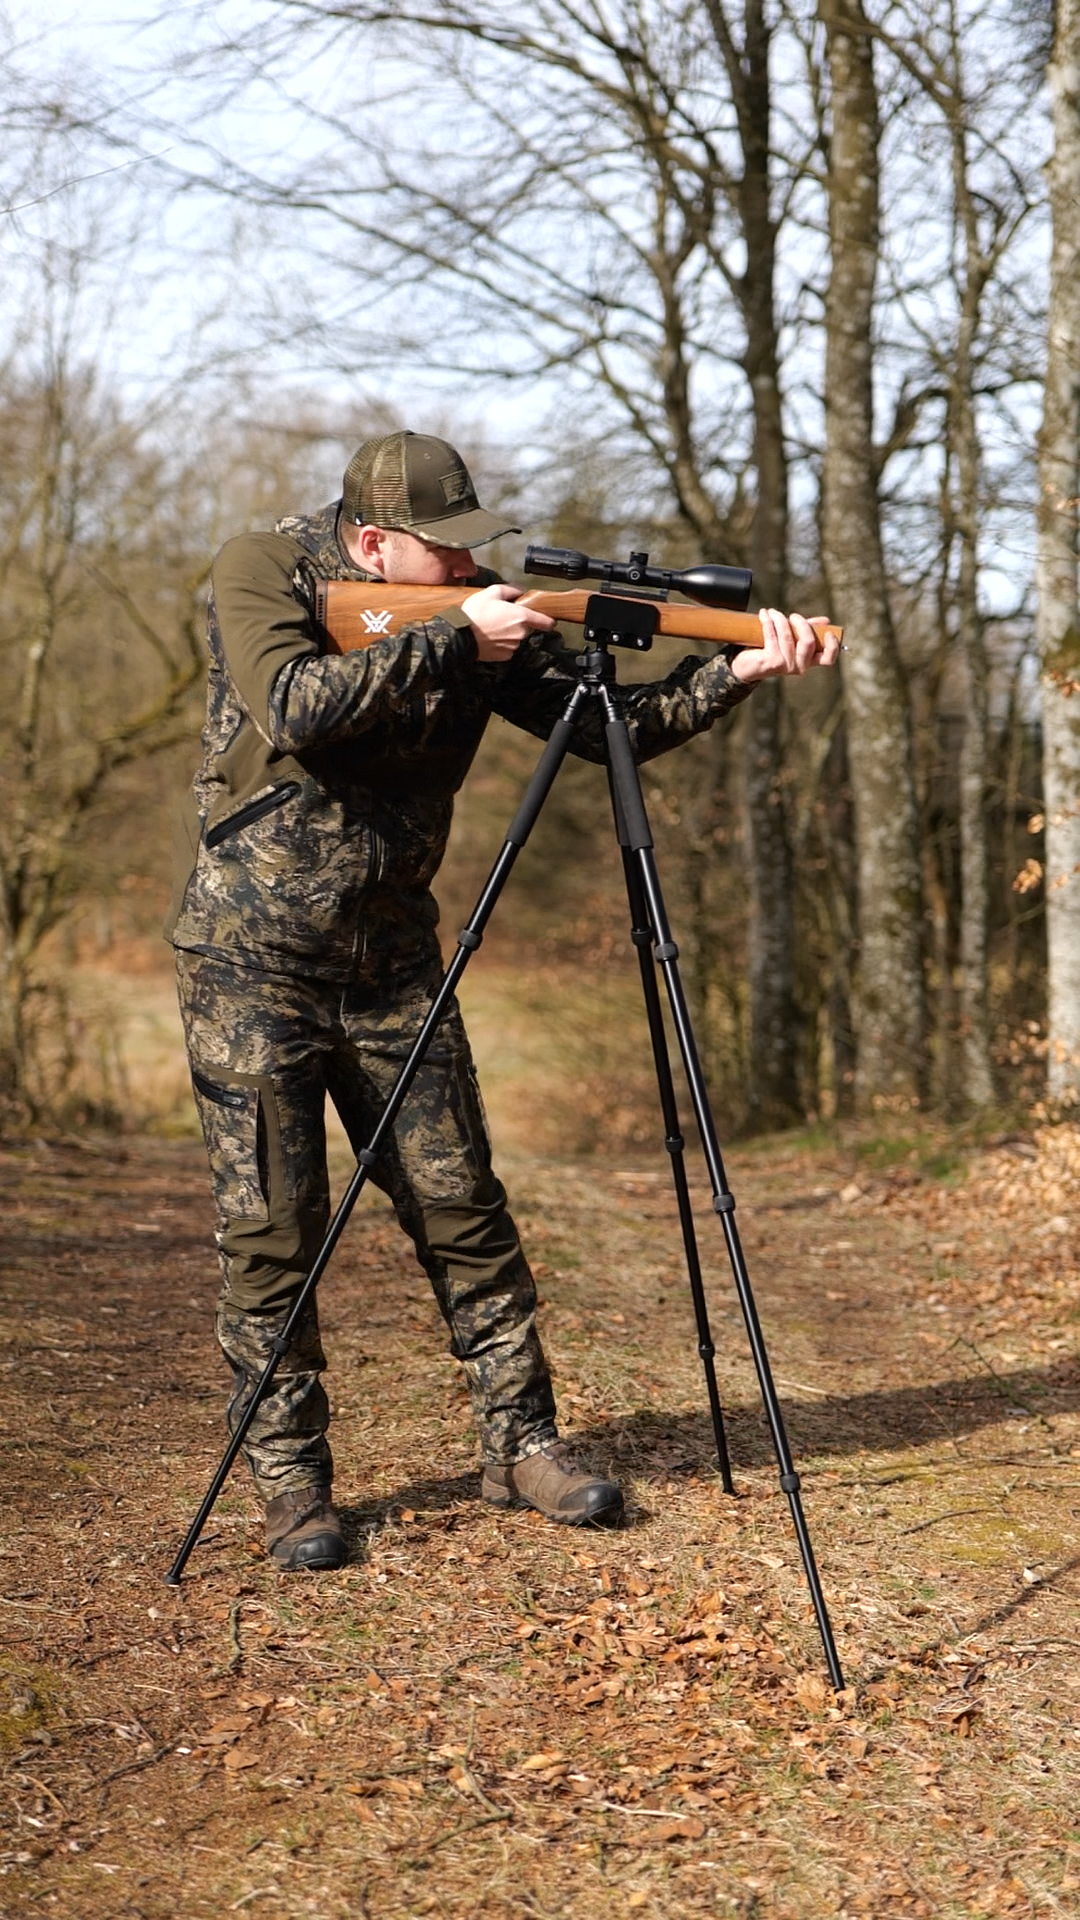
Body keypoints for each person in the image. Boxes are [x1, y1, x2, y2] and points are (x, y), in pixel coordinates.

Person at [167, 429, 838, 1572]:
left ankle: (521, 1443)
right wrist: (449, 637)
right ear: (371, 544)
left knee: (462, 1205)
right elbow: (293, 705)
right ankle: (292, 1484)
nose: (470, 568)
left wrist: (735, 671)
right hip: (251, 961)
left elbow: (617, 735)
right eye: (446, 552)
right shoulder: (264, 567)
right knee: (274, 1228)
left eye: (475, 549)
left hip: (395, 963)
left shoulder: (482, 614)